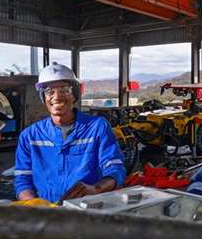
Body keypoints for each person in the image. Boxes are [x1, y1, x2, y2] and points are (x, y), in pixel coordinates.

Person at [14, 62, 125, 202]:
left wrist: (95, 189)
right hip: (47, 212)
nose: (57, 97)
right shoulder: (29, 136)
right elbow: (22, 178)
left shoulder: (97, 127)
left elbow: (115, 168)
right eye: (49, 92)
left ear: (74, 95)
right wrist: (33, 203)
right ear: (44, 97)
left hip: (89, 208)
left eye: (64, 90)